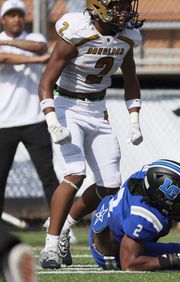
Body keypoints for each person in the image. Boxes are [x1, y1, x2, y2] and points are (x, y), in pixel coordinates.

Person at [38, 0, 145, 269]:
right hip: (67, 105)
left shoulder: (127, 37)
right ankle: (50, 247)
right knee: (75, 172)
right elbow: (46, 80)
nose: (125, 11)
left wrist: (134, 120)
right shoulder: (77, 30)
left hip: (98, 108)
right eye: (118, 5)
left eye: (125, 5)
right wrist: (51, 118)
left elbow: (131, 79)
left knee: (110, 184)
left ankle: (64, 227)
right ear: (99, 6)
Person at [88, 159, 180, 271]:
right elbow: (129, 264)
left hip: (104, 226)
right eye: (178, 202)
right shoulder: (144, 217)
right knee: (179, 251)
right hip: (110, 254)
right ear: (161, 198)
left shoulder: (144, 178)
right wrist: (172, 260)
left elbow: (170, 208)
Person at [0, 0, 58, 215]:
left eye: (19, 15)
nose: (16, 19)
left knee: (48, 175)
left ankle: (61, 226)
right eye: (11, 15)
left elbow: (39, 48)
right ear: (3, 19)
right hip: (3, 122)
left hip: (35, 120)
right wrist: (37, 59)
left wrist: (13, 44)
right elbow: (3, 57)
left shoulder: (34, 37)